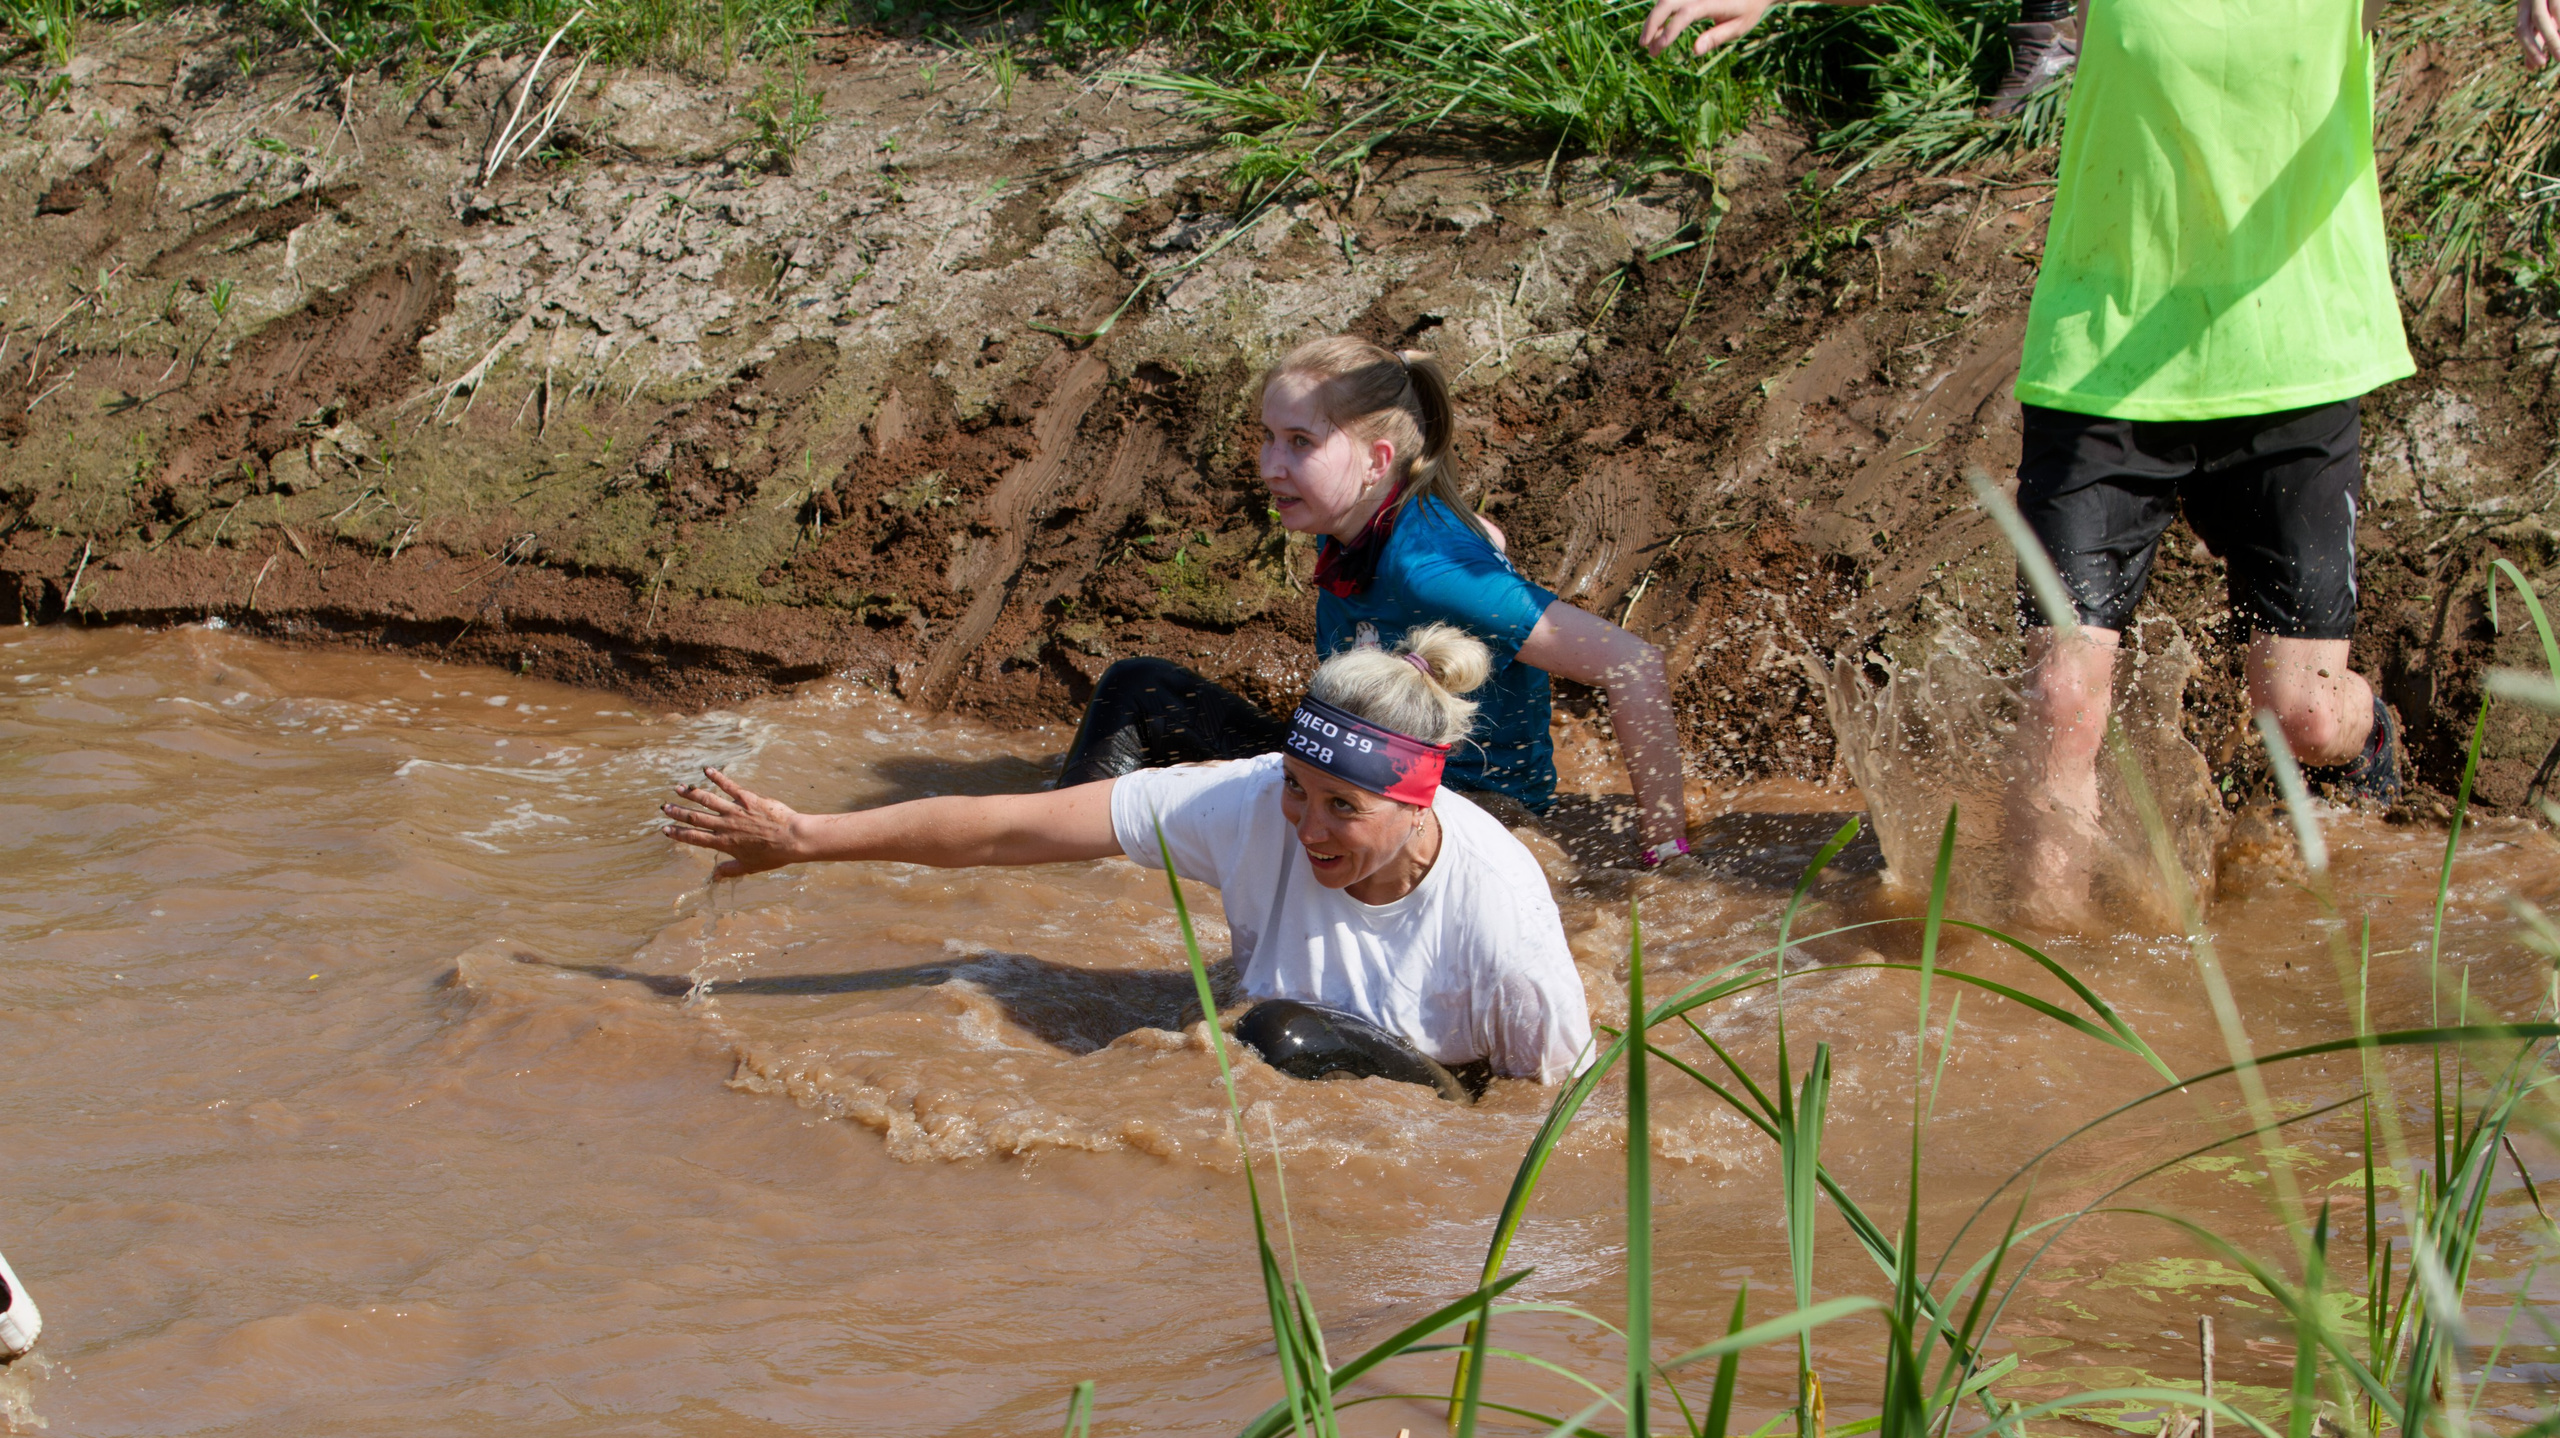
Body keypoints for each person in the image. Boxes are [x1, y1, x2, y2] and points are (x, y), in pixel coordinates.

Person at [1641, 0, 2560, 923]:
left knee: (2305, 715)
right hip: (2104, 363)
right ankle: (2050, 985)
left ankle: (2370, 747)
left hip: (2295, 361)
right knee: (2060, 696)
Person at [663, 625, 1595, 1085]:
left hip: (1426, 1084)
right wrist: (807, 838)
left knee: (1273, 1031)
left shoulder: (1500, 916)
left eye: (1342, 809)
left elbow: (1558, 1121)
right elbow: (1011, 828)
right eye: (1296, 793)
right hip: (1274, 1049)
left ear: (1417, 799)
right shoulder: (1249, 800)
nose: (1306, 828)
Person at [1055, 335, 1693, 870]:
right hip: (1354, 781)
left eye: (1300, 442)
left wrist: (1664, 849)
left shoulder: (1430, 568)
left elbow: (1632, 665)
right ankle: (1070, 872)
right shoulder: (1360, 527)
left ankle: (1074, 855)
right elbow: (1481, 541)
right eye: (1268, 438)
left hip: (1461, 813)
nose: (1271, 465)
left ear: (1376, 461)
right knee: (1139, 689)